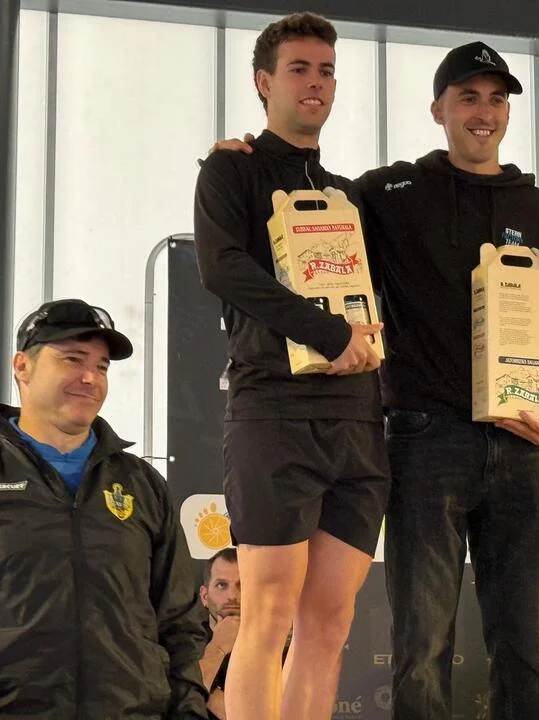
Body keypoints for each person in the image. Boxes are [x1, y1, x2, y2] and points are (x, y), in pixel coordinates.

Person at [211, 40, 539, 719]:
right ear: (438, 109)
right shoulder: (386, 194)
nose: (483, 113)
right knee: (420, 647)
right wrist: (247, 154)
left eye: (496, 99)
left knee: (528, 647)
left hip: (525, 449)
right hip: (423, 441)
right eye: (468, 98)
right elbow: (305, 202)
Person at [193, 12, 389, 720]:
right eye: (299, 69)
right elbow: (223, 268)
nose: (315, 83)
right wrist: (328, 333)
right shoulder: (230, 169)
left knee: (329, 624)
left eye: (326, 70)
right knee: (268, 612)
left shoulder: (350, 195)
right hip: (274, 412)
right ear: (263, 82)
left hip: (357, 421)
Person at [0, 298, 208, 718]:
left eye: (101, 366)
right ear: (22, 366)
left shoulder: (142, 484)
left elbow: (181, 624)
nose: (89, 377)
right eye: (72, 359)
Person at [199, 548, 242, 719]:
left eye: (241, 585)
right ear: (204, 596)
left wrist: (208, 694)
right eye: (221, 585)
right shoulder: (182, 641)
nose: (232, 596)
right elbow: (176, 698)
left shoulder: (275, 645)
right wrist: (217, 647)